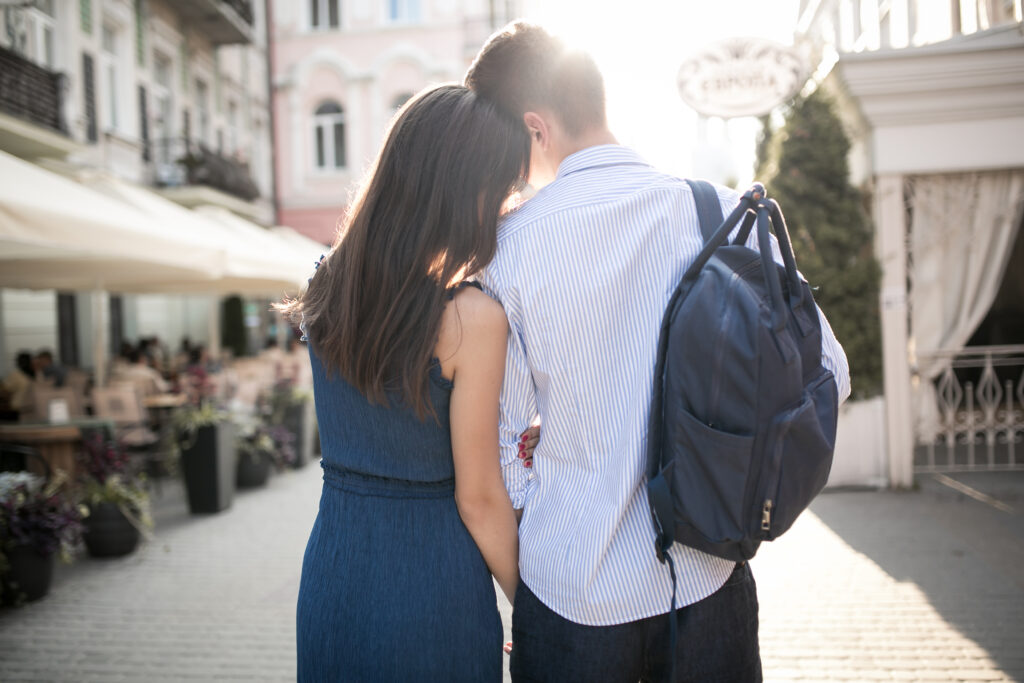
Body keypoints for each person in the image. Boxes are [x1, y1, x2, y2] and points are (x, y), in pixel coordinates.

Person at [465, 23, 852, 682]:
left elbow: (502, 454)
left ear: (535, 128)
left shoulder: (509, 249)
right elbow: (829, 375)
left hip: (569, 598)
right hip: (707, 582)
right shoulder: (720, 211)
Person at [280, 84, 534, 681]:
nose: (506, 205)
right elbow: (479, 497)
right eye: (502, 189)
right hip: (432, 588)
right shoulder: (470, 317)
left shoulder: (325, 282)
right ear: (464, 190)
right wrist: (538, 611)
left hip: (334, 574)